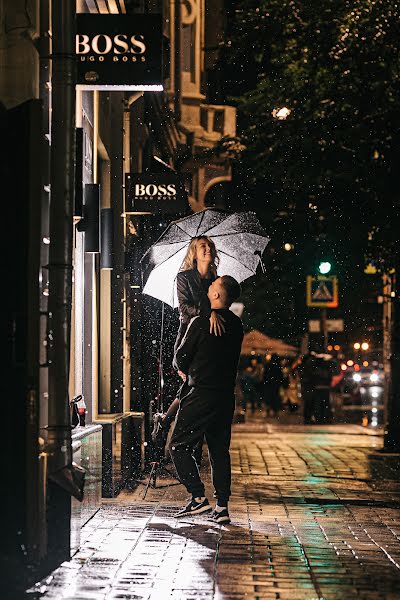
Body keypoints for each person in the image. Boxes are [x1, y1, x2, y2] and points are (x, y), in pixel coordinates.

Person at [170, 275, 244, 524]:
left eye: (214, 284)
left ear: (217, 295)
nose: (210, 284)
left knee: (178, 446)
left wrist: (186, 368)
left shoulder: (200, 323)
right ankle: (222, 506)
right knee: (219, 451)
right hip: (224, 397)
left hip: (200, 393)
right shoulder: (237, 325)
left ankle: (198, 497)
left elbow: (180, 357)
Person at [152, 236, 225, 455]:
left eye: (210, 245)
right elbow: (184, 309)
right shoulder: (184, 278)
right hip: (190, 338)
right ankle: (176, 429)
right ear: (193, 252)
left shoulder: (215, 278)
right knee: (193, 384)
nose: (207, 249)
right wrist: (208, 313)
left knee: (194, 386)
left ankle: (167, 422)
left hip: (211, 339)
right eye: (202, 246)